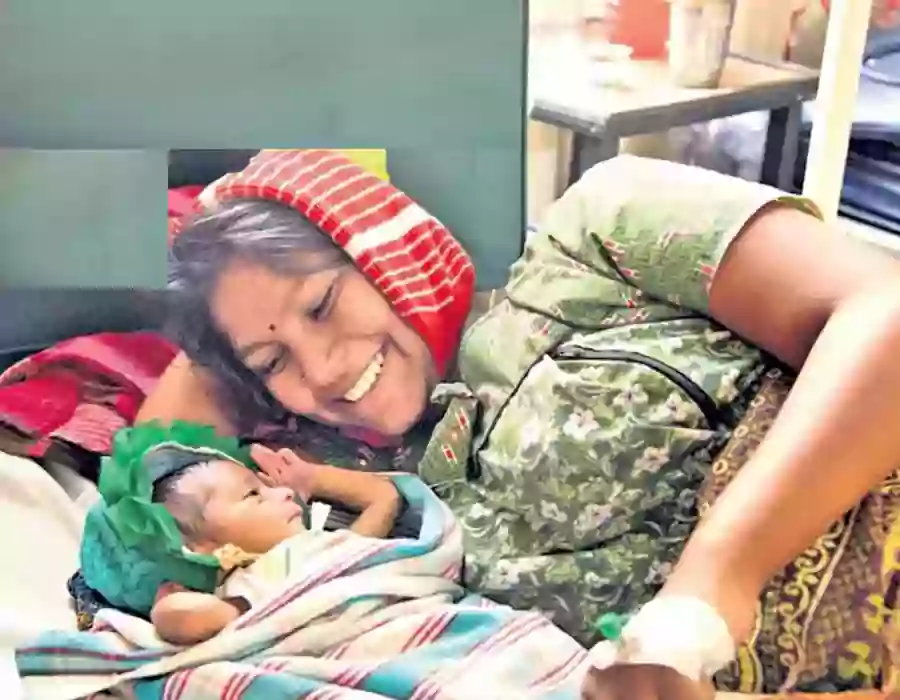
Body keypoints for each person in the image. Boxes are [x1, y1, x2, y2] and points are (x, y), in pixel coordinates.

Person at [140, 149, 900, 697]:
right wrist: (218, 341)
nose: (324, 371)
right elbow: (145, 484)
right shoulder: (357, 496)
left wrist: (710, 586)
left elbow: (885, 310)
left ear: (381, 247)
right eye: (274, 362)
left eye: (322, 304)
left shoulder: (598, 233)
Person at [79, 421, 401, 645]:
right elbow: (177, 617)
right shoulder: (254, 583)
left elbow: (385, 498)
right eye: (254, 494)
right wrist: (176, 605)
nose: (285, 492)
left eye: (267, 485)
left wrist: (315, 479)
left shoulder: (325, 547)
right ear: (200, 549)